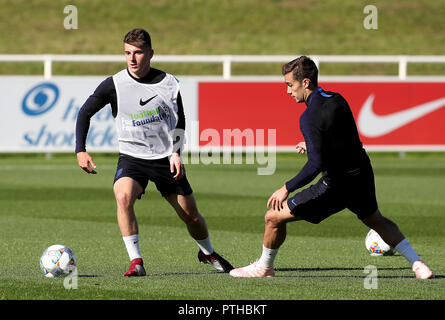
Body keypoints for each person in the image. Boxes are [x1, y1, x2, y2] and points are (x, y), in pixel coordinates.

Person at [229, 56, 433, 279]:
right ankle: (418, 265)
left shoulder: (308, 118)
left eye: (290, 85)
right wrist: (311, 144)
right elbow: (344, 138)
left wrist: (286, 188)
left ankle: (264, 268)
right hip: (361, 174)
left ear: (305, 82)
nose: (288, 91)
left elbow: (315, 165)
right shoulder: (337, 98)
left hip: (334, 185)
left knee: (272, 217)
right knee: (375, 220)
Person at [75, 28, 233, 276]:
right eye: (127, 53)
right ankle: (136, 261)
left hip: (165, 159)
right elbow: (84, 113)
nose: (132, 59)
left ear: (150, 53)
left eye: (138, 52)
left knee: (191, 217)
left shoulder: (170, 83)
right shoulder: (114, 84)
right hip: (132, 158)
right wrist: (80, 150)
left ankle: (207, 252)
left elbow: (181, 121)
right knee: (122, 196)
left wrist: (176, 152)